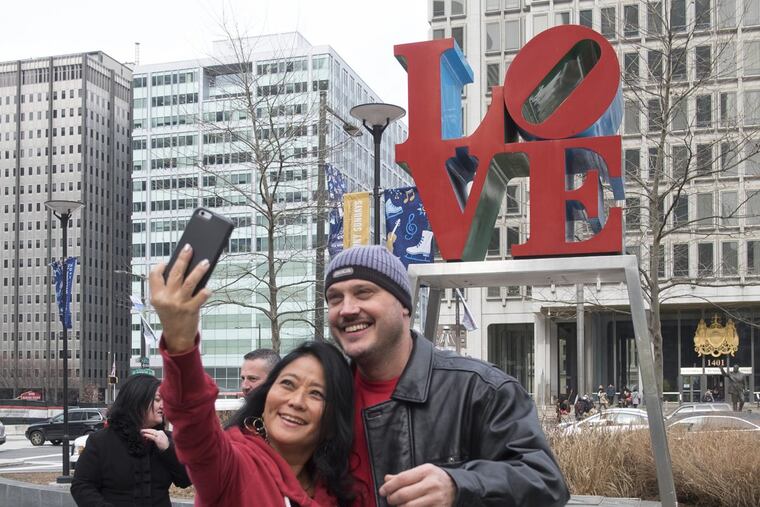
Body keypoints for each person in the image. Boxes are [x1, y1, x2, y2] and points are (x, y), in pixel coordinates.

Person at [324, 245, 569, 507]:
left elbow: (546, 484)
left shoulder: (482, 390)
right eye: (335, 299)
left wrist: (459, 485)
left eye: (363, 293)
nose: (347, 309)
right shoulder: (323, 398)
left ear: (404, 306)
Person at [150, 245, 355, 506]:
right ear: (267, 393)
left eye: (316, 393)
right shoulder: (232, 466)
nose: (296, 401)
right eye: (288, 384)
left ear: (333, 416)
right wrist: (180, 341)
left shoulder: (340, 491)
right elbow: (193, 423)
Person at [71, 374, 191, 506]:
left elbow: (185, 480)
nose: (163, 405)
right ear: (137, 401)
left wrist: (168, 450)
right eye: (157, 399)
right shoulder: (101, 441)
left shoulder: (166, 439)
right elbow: (81, 486)